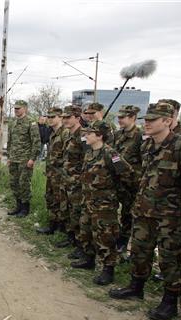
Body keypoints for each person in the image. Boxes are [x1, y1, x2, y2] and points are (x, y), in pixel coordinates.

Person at [109, 103, 181, 320]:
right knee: (140, 251)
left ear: (168, 121)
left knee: (170, 259)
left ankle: (169, 301)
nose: (148, 122)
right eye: (147, 118)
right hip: (144, 211)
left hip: (168, 216)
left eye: (154, 119)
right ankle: (136, 287)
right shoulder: (147, 146)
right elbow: (143, 177)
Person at [71, 121, 134, 285]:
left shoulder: (111, 154)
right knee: (85, 231)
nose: (86, 135)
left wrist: (117, 192)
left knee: (105, 237)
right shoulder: (90, 152)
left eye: (90, 133)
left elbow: (127, 174)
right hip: (88, 201)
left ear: (100, 135)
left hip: (104, 205)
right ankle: (88, 258)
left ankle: (108, 269)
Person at [112, 105, 143, 251]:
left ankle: (124, 240)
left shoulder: (140, 136)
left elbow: (144, 161)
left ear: (132, 118)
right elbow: (114, 155)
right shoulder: (118, 134)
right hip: (117, 180)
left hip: (132, 181)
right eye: (118, 117)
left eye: (122, 117)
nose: (120, 120)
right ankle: (116, 235)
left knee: (128, 213)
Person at [7, 100, 41, 218]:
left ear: (25, 108)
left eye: (18, 108)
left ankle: (25, 208)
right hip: (14, 158)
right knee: (14, 183)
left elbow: (36, 142)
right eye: (15, 108)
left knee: (24, 183)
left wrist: (32, 159)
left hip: (25, 159)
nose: (16, 110)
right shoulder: (12, 122)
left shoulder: (31, 123)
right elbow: (10, 141)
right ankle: (18, 206)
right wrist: (9, 157)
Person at [36, 107, 68, 232]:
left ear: (60, 117)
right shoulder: (53, 133)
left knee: (61, 200)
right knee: (51, 198)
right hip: (52, 173)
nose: (49, 119)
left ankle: (61, 228)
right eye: (48, 117)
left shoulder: (65, 133)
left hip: (60, 173)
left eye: (52, 117)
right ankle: (52, 225)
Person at [61, 105, 86, 259]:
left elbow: (87, 159)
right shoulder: (70, 134)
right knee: (70, 210)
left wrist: (79, 179)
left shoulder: (82, 135)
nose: (65, 120)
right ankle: (71, 239)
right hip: (68, 180)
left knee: (78, 213)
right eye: (63, 117)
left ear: (77, 118)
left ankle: (81, 245)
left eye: (68, 117)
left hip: (78, 181)